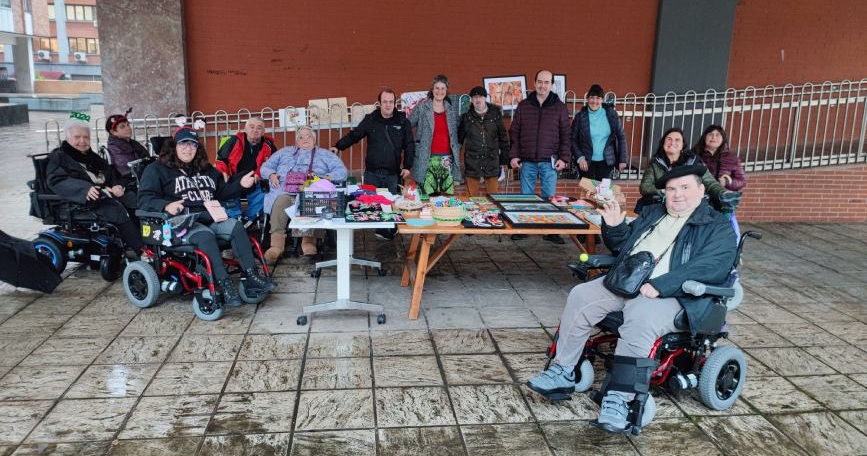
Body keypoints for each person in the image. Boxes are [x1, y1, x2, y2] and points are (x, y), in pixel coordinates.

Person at [527, 165, 736, 433]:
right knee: (582, 294)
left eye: (685, 187)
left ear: (701, 190)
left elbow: (711, 267)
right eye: (671, 189)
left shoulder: (717, 226)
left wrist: (662, 285)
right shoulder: (654, 213)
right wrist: (614, 227)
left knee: (641, 315)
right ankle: (562, 371)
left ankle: (619, 399)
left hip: (677, 295)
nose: (677, 194)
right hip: (628, 282)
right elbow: (624, 247)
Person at [138, 127, 275, 307]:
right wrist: (166, 205)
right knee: (206, 237)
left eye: (193, 145)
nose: (188, 149)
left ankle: (252, 276)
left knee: (235, 226)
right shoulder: (156, 169)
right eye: (183, 144)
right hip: (181, 222)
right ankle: (225, 285)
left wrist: (241, 185)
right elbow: (144, 198)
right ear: (174, 146)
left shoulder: (205, 169)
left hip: (210, 217)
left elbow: (222, 192)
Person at [46, 120, 143, 257]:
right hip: (78, 202)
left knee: (134, 199)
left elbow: (110, 173)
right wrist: (85, 188)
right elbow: (57, 180)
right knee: (116, 210)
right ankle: (143, 250)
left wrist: (116, 185)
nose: (82, 141)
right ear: (67, 138)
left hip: (103, 194)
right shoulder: (59, 157)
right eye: (77, 137)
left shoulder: (91, 156)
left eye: (86, 137)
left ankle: (150, 241)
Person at [331, 87, 415, 240]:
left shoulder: (403, 122)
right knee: (371, 207)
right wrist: (338, 146)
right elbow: (355, 135)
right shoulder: (371, 119)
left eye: (391, 101)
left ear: (395, 103)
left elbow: (409, 144)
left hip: (392, 173)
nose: (388, 105)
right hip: (372, 173)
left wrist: (408, 166)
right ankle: (375, 235)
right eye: (385, 102)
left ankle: (388, 233)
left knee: (390, 207)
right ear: (379, 103)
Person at [261, 126, 348, 265]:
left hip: (311, 190)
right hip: (285, 190)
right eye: (301, 137)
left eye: (308, 136)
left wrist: (329, 177)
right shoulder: (284, 152)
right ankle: (276, 246)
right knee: (279, 202)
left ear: (314, 140)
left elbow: (342, 171)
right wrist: (271, 174)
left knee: (310, 200)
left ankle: (308, 242)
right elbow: (266, 166)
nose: (305, 139)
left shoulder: (325, 154)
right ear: (296, 141)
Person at [509, 70, 571, 244]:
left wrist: (564, 158)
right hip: (527, 160)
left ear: (552, 85)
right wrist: (514, 155)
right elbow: (514, 132)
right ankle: (523, 228)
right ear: (534, 83)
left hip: (549, 161)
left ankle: (551, 230)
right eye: (540, 82)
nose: (543, 85)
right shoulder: (523, 105)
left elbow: (566, 134)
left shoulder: (559, 107)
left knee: (549, 197)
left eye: (547, 82)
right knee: (525, 197)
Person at [636, 127, 727, 213]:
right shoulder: (655, 163)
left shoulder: (693, 162)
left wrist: (723, 193)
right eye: (669, 139)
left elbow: (710, 182)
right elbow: (645, 186)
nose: (672, 142)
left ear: (683, 145)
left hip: (691, 208)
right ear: (663, 143)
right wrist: (662, 191)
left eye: (677, 140)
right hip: (662, 206)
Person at [408, 74, 462, 196]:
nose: (439, 91)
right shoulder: (422, 107)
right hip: (426, 158)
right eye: (437, 88)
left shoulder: (451, 109)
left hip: (446, 160)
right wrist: (412, 144)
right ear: (432, 89)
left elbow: (457, 130)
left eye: (443, 88)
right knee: (427, 197)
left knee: (445, 198)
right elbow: (407, 125)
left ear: (446, 90)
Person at [215, 117, 277, 222]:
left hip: (256, 180)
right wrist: (223, 172)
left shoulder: (269, 146)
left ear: (263, 131)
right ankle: (238, 216)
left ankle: (250, 217)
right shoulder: (233, 141)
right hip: (234, 179)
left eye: (259, 128)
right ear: (245, 129)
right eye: (251, 127)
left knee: (268, 191)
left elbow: (273, 164)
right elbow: (221, 160)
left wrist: (259, 173)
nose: (255, 130)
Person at [691, 124, 746, 239]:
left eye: (717, 135)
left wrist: (728, 183)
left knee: (724, 233)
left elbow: (741, 181)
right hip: (698, 202)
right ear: (704, 137)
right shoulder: (694, 156)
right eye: (710, 134)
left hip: (722, 204)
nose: (714, 137)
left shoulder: (732, 158)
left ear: (723, 138)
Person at [457, 85, 509, 196]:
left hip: (492, 161)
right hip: (472, 162)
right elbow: (459, 141)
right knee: (471, 199)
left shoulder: (495, 115)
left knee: (494, 198)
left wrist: (504, 160)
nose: (477, 99)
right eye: (474, 97)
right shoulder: (466, 118)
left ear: (485, 98)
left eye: (480, 96)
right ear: (471, 99)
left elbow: (503, 137)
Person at [570, 84, 628, 181]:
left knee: (602, 193)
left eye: (598, 98)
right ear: (588, 99)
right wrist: (580, 157)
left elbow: (621, 136)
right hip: (586, 162)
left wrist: (623, 160)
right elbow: (572, 139)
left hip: (606, 162)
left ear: (602, 100)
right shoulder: (580, 117)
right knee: (587, 193)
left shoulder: (611, 114)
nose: (594, 101)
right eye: (592, 97)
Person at [104, 113, 149, 188]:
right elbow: (128, 170)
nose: (128, 128)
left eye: (128, 125)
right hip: (129, 184)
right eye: (122, 127)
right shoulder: (114, 148)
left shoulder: (132, 143)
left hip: (142, 177)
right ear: (113, 132)